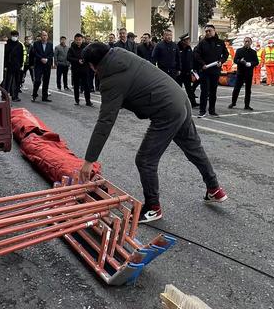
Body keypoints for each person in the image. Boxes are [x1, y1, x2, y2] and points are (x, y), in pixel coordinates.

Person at [79, 43, 227, 223]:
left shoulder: (111, 79)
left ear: (93, 65)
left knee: (145, 160)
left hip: (166, 110)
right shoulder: (122, 55)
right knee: (194, 149)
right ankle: (215, 189)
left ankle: (153, 207)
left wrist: (89, 161)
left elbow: (105, 121)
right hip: (180, 99)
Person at [193, 25, 228, 118]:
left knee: (213, 91)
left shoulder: (220, 42)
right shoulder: (202, 43)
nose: (208, 33)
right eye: (206, 31)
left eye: (210, 31)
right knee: (204, 91)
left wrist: (221, 61)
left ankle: (212, 110)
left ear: (214, 31)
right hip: (205, 70)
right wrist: (202, 64)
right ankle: (202, 111)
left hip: (215, 70)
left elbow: (226, 54)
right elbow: (196, 55)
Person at [228, 37, 258, 110]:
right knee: (236, 88)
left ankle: (247, 105)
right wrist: (240, 61)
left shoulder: (253, 52)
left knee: (248, 90)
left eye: (248, 41)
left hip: (249, 73)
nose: (247, 43)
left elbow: (256, 62)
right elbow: (235, 60)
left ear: (251, 42)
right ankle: (233, 102)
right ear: (243, 42)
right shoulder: (239, 51)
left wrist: (250, 64)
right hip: (240, 73)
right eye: (245, 41)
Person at [67, 33, 93, 106]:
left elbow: (89, 56)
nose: (78, 41)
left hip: (85, 69)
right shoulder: (71, 48)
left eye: (80, 40)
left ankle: (88, 101)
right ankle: (77, 100)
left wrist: (84, 60)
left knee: (86, 85)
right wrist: (77, 60)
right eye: (77, 40)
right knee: (76, 85)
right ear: (75, 40)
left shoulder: (86, 47)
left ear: (82, 40)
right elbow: (68, 58)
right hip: (76, 70)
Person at [31, 31, 54, 102]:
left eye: (46, 35)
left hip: (47, 65)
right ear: (41, 36)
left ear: (47, 36)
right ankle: (34, 95)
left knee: (46, 81)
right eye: (43, 35)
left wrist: (47, 59)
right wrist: (41, 58)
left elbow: (51, 53)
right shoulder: (36, 44)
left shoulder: (50, 44)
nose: (44, 37)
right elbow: (34, 52)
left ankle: (45, 97)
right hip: (39, 65)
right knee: (37, 80)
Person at [177, 33, 198, 108]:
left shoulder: (189, 48)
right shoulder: (177, 47)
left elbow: (191, 59)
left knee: (189, 88)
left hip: (187, 72)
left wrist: (193, 69)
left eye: (189, 40)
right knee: (178, 88)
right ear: (183, 41)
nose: (189, 41)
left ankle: (193, 103)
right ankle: (178, 103)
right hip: (179, 72)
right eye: (187, 40)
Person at [3, 30, 25, 102]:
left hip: (17, 66)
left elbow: (21, 55)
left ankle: (15, 96)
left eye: (16, 36)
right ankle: (5, 96)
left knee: (17, 81)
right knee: (7, 82)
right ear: (11, 36)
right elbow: (5, 56)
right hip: (9, 66)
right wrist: (5, 65)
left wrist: (21, 65)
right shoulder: (7, 44)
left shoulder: (20, 45)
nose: (15, 37)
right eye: (13, 36)